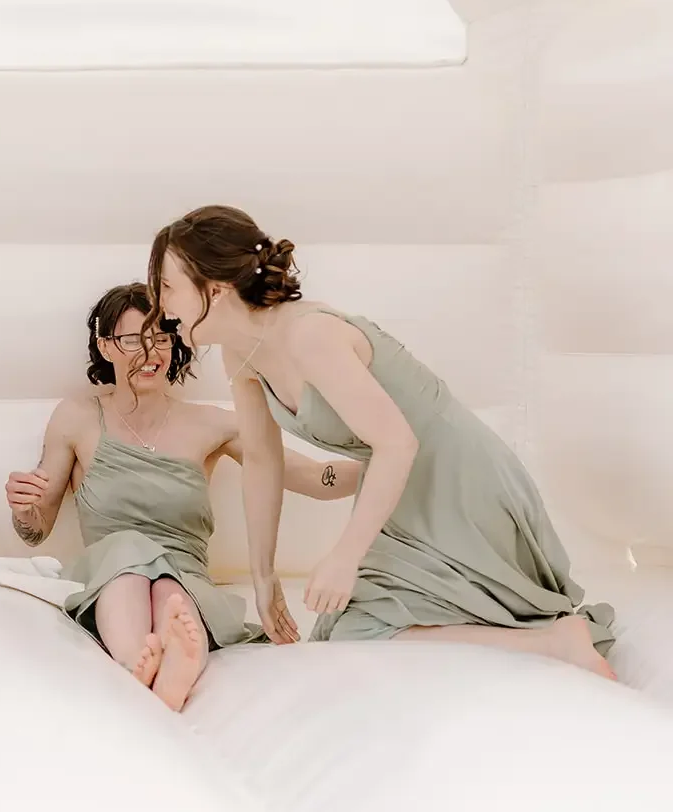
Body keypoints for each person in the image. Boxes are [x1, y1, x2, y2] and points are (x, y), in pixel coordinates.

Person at [144, 204, 615, 678]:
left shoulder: (310, 335)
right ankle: (543, 641)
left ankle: (553, 643)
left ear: (217, 289)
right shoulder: (239, 354)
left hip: (455, 480)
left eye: (168, 287)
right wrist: (262, 576)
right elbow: (264, 461)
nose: (162, 307)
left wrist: (345, 556)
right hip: (401, 490)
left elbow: (398, 444)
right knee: (349, 628)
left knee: (359, 628)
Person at [6, 283, 360, 710]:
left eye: (161, 337)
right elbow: (35, 529)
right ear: (106, 347)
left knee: (170, 587)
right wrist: (26, 508)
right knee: (128, 552)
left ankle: (174, 666)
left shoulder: (213, 425)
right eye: (133, 339)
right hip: (110, 579)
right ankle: (139, 662)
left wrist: (384, 465)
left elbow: (314, 477)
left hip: (185, 577)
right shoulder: (77, 417)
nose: (149, 352)